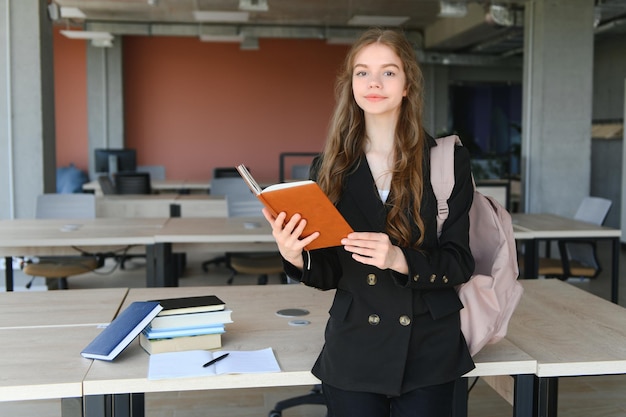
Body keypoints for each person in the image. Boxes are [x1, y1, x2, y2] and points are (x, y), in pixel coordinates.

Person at [262, 27, 475, 417]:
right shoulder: (328, 167)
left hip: (429, 349)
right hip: (354, 348)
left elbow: (460, 263)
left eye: (388, 72)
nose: (374, 82)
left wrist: (399, 259)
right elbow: (328, 271)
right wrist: (294, 255)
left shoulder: (446, 161)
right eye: (362, 72)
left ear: (408, 83)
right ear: (351, 85)